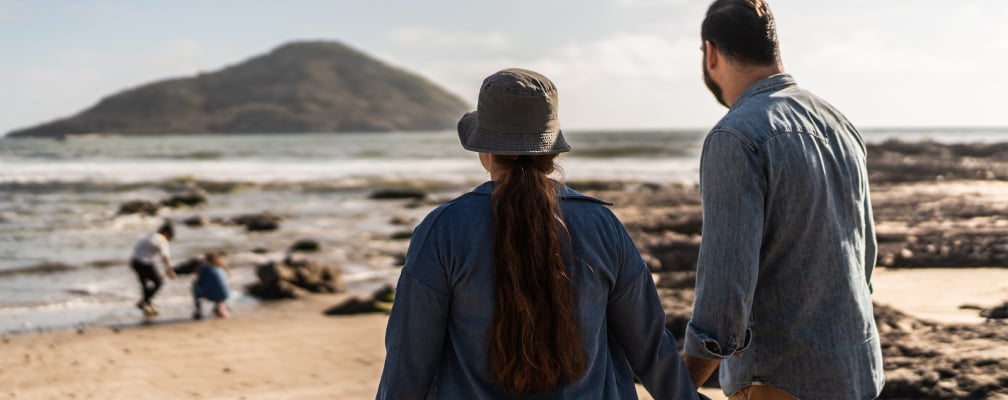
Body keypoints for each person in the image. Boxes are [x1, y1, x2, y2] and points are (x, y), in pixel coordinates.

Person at [376, 68, 699, 399]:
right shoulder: (603, 226)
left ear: (485, 151)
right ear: (552, 152)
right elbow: (651, 348)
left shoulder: (443, 230)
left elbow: (408, 363)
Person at [682, 1, 884, 399]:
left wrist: (680, 383)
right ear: (773, 48)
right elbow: (864, 259)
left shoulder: (734, 136)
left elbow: (725, 292)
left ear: (711, 53)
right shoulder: (838, 123)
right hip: (856, 372)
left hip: (779, 379)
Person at [130, 220, 177, 317]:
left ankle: (146, 303)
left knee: (145, 285)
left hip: (134, 261)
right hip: (143, 262)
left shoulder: (151, 235)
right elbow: (165, 256)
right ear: (167, 233)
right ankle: (145, 302)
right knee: (158, 282)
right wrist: (170, 270)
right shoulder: (162, 239)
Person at [191, 252, 232, 320]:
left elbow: (199, 281)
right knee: (217, 287)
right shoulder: (220, 266)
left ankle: (198, 311)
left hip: (212, 295)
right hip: (226, 294)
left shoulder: (205, 267)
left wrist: (196, 284)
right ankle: (220, 306)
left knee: (195, 286)